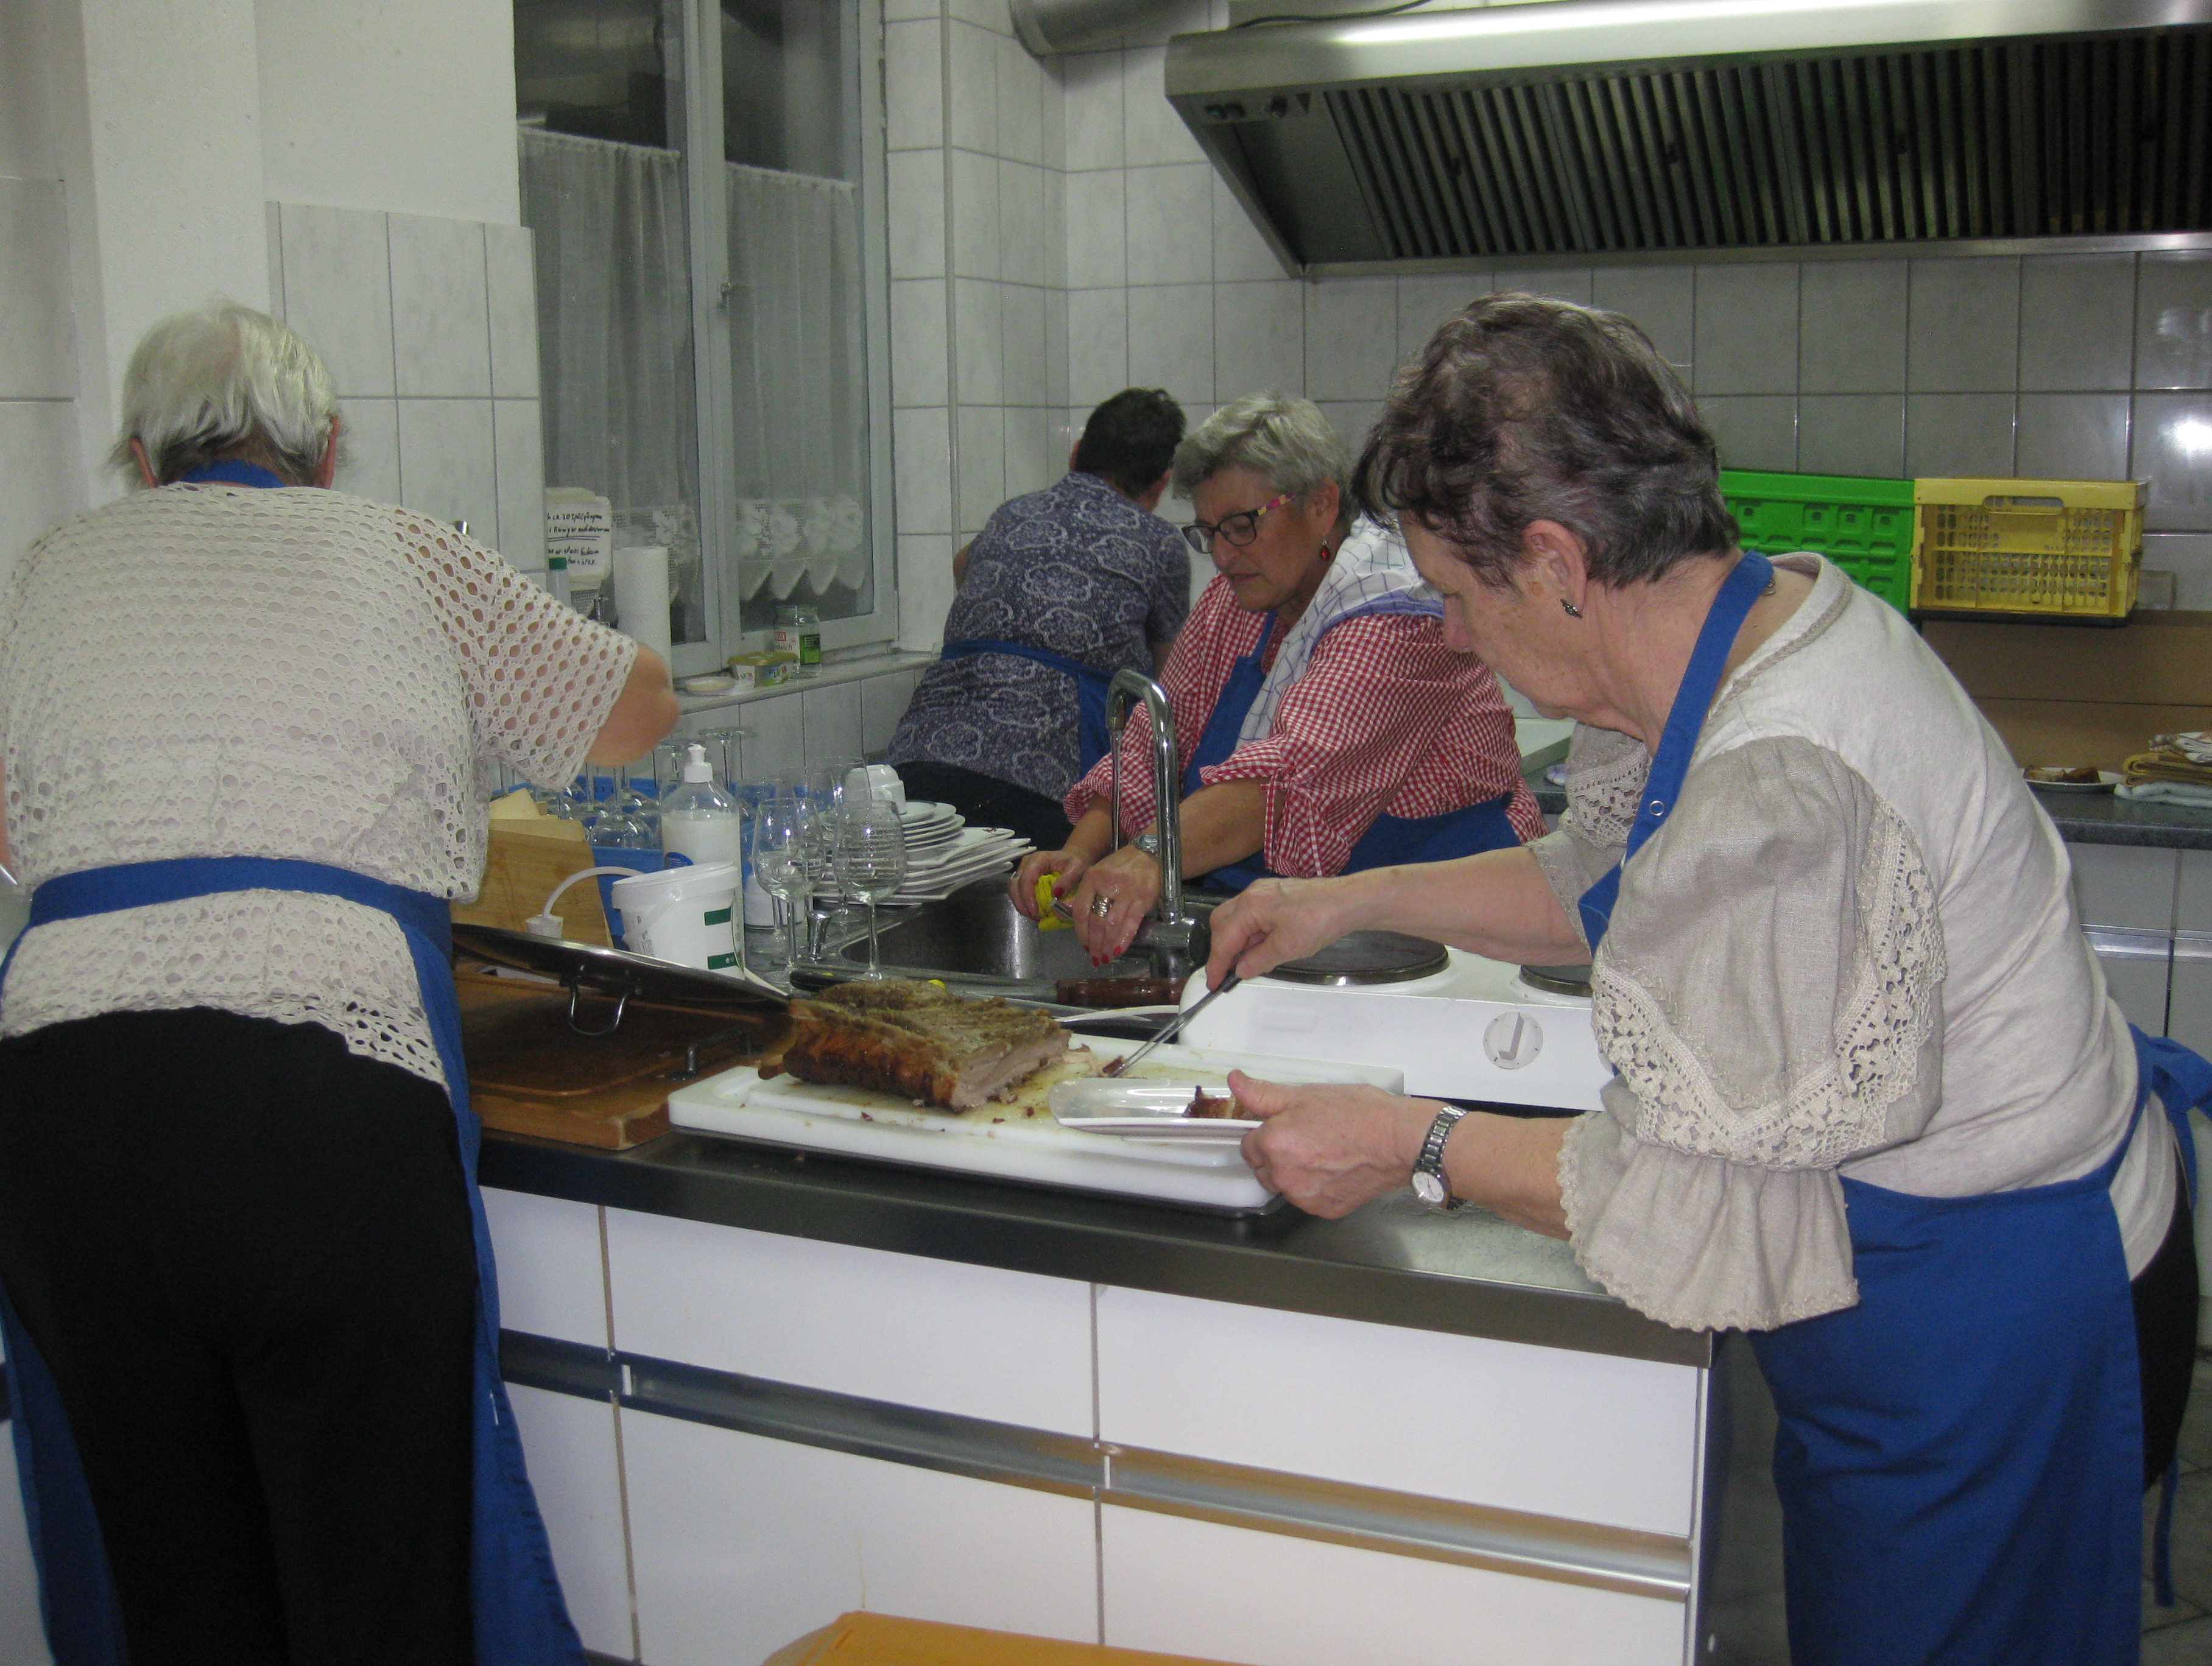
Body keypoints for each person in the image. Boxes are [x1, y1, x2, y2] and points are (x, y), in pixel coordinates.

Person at [1202, 294, 2205, 1666]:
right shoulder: (1735, 633)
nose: (1450, 637)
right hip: (1915, 1282)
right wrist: (1344, 898)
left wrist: (1407, 1141)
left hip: (1990, 1319)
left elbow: (1688, 1203)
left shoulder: (1781, 772)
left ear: (1555, 562)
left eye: (1454, 594)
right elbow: (1598, 876)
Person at [0, 300, 680, 1665]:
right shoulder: (400, 548)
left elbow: (9, 825)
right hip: (316, 1099)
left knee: (179, 1598)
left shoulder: (51, 568)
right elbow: (639, 707)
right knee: (376, 1589)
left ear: (143, 457)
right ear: (326, 447)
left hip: (63, 1106)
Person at [1013, 393, 1541, 965]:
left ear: (1321, 505)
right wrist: (1082, 853)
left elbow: (1285, 781)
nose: (1221, 555)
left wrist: (1147, 858)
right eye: (1208, 531)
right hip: (1312, 928)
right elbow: (1152, 744)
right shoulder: (1237, 601)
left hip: (1450, 934)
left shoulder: (1400, 612)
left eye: (1242, 526)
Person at [886, 388, 1190, 849]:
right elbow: (1172, 676)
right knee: (1048, 892)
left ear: (1076, 455)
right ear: (1161, 482)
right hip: (1045, 782)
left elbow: (963, 563)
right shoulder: (1160, 542)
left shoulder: (1015, 512)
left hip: (920, 760)